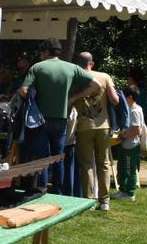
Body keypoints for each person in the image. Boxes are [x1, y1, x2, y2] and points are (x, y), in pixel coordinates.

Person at [18, 38, 94, 190]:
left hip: (40, 120)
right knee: (58, 157)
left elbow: (23, 90)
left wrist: (34, 98)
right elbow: (94, 84)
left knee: (43, 158)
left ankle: (42, 190)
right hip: (61, 119)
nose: (40, 56)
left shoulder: (37, 67)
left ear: (46, 52)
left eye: (41, 53)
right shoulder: (72, 68)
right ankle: (58, 192)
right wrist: (72, 98)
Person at [69, 51, 120, 210]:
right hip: (103, 126)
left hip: (84, 126)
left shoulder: (75, 78)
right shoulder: (104, 76)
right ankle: (104, 201)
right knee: (104, 163)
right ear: (92, 63)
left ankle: (89, 200)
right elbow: (115, 100)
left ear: (78, 64)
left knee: (86, 164)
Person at [114, 85, 144, 201]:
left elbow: (137, 130)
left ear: (130, 97)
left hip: (131, 145)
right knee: (121, 168)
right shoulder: (130, 109)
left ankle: (130, 193)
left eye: (123, 97)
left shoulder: (136, 110)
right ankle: (122, 190)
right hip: (125, 144)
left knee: (129, 169)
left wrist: (123, 136)